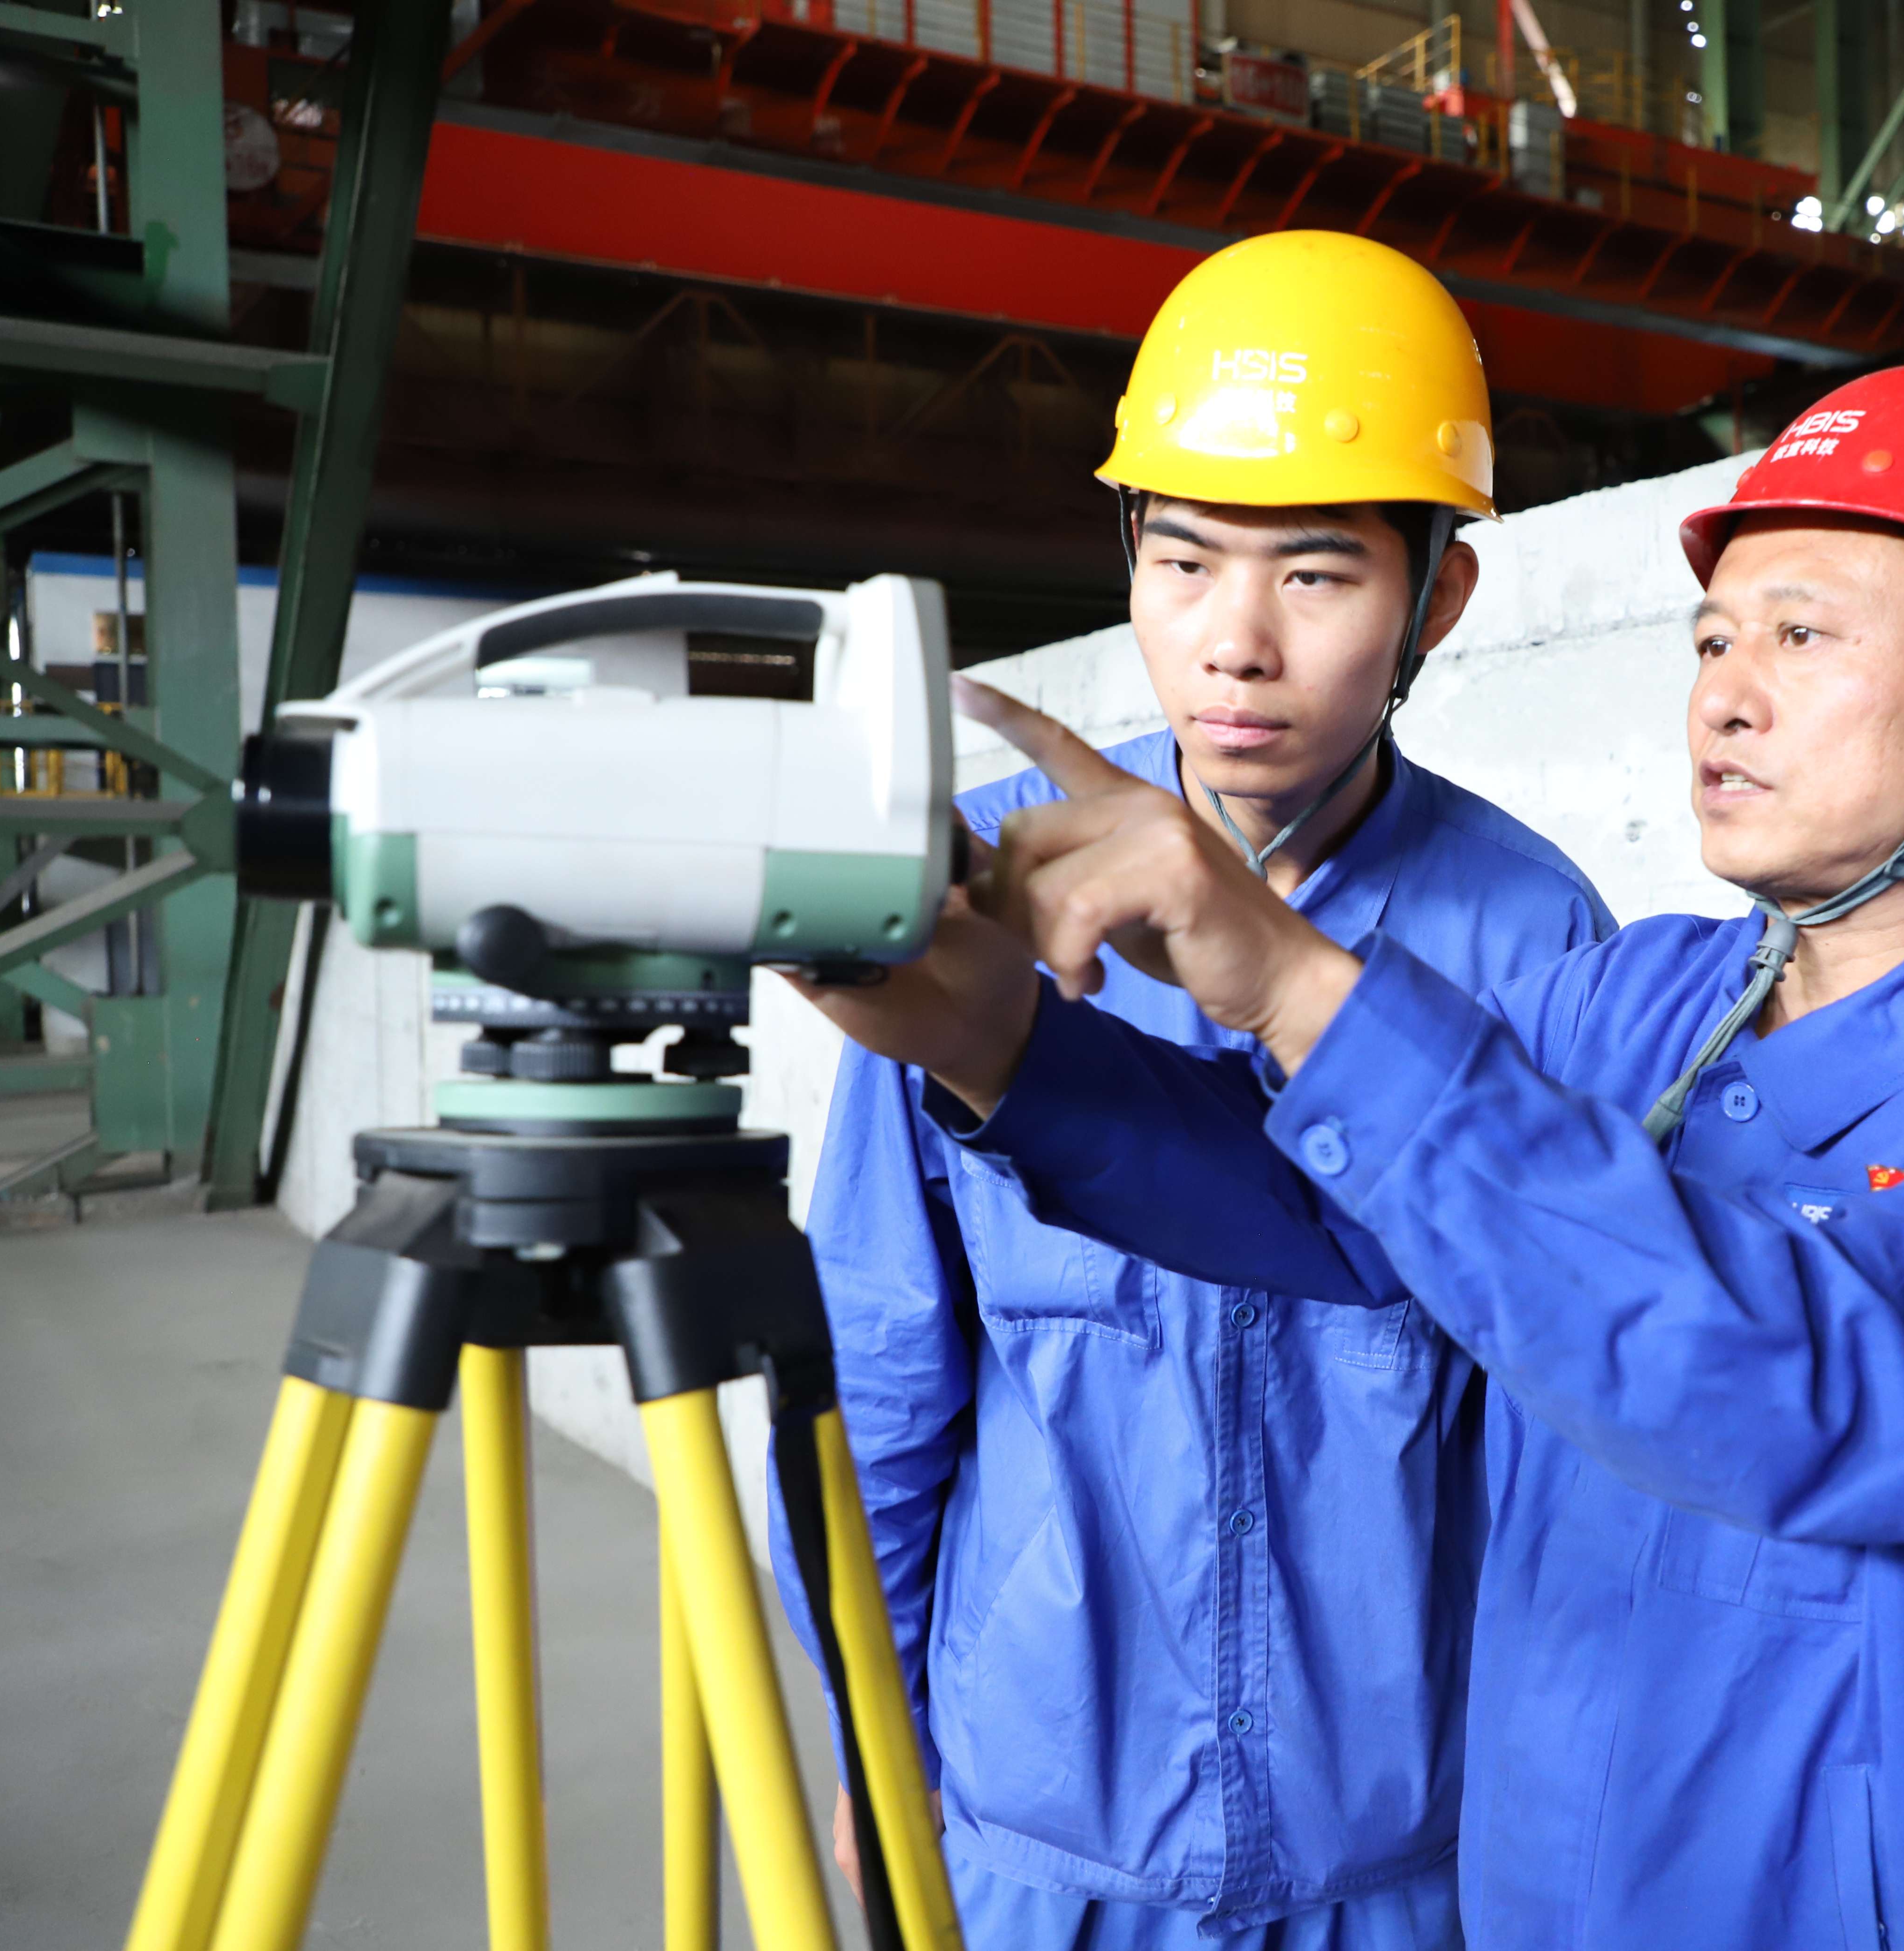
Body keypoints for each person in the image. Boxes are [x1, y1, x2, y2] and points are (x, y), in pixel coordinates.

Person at [801, 364, 1904, 1948]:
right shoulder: (1638, 1000)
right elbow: (1330, 1206)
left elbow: (1829, 1387)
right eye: (1713, 642)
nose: (1725, 699)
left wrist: (1291, 982)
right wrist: (1004, 1046)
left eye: (1803, 637)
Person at [770, 229, 1611, 1949]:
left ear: (1437, 600)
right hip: (1043, 1837)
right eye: (1184, 560)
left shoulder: (1532, 939)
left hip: (1403, 1851)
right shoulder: (976, 909)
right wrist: (875, 1737)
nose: (1235, 643)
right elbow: (878, 1371)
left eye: (1317, 574)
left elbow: (1571, 1436)